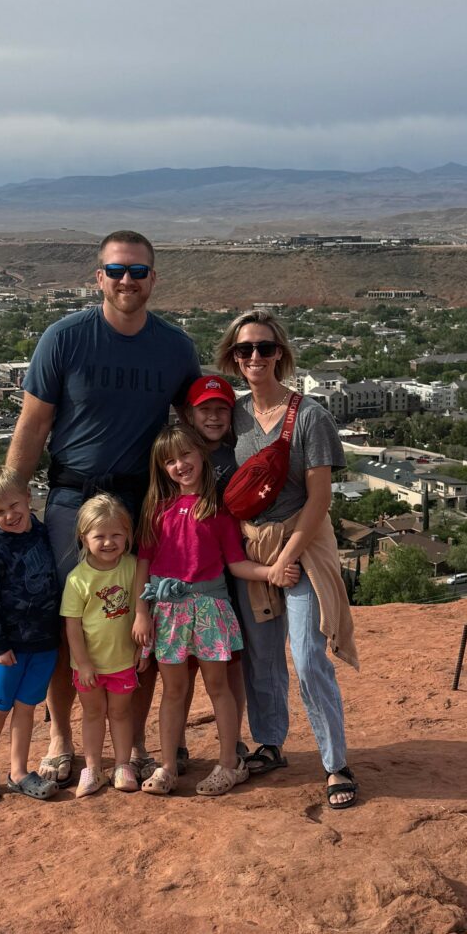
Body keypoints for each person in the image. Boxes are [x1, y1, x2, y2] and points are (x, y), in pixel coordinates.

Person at [7, 230, 200, 782]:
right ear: (99, 277)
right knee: (70, 619)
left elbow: (196, 425)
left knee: (137, 622)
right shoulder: (64, 339)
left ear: (153, 279)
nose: (126, 281)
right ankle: (62, 736)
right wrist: (12, 501)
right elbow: (33, 423)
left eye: (138, 272)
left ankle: (132, 744)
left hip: (142, 499)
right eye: (116, 271)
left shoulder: (174, 347)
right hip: (73, 497)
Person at [220, 309, 361, 811]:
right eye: (244, 350)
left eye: (263, 347)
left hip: (302, 543)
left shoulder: (311, 416)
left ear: (280, 352)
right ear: (233, 358)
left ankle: (335, 762)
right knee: (261, 654)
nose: (254, 357)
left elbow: (320, 499)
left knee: (305, 654)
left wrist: (287, 557)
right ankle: (270, 742)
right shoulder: (232, 415)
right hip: (253, 548)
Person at [130, 423, 288, 797]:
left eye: (186, 454)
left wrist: (271, 572)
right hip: (167, 611)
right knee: (173, 689)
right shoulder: (156, 510)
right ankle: (167, 765)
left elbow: (235, 564)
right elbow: (143, 564)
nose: (180, 465)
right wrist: (141, 611)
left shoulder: (219, 510)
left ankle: (229, 764)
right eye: (170, 461)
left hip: (210, 609)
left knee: (219, 687)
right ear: (162, 468)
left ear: (202, 454)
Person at [0, 468, 61, 805]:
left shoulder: (42, 532)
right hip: (10, 646)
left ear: (27, 497)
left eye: (13, 504)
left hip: (44, 642)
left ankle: (19, 772)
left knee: (27, 707)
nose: (9, 515)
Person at [180, 373, 248, 765]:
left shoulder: (236, 456)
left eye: (222, 409)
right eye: (206, 409)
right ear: (190, 414)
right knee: (183, 665)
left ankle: (233, 738)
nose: (214, 417)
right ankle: (177, 743)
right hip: (186, 575)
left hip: (226, 576)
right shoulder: (179, 455)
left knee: (229, 661)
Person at [60, 493, 141, 798]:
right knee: (92, 714)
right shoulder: (77, 579)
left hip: (123, 661)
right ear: (84, 538)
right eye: (100, 536)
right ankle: (92, 768)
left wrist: (140, 650)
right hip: (88, 666)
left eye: (116, 535)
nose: (109, 542)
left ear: (128, 535)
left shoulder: (132, 567)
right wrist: (82, 663)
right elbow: (73, 625)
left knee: (121, 714)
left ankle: (122, 765)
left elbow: (141, 611)